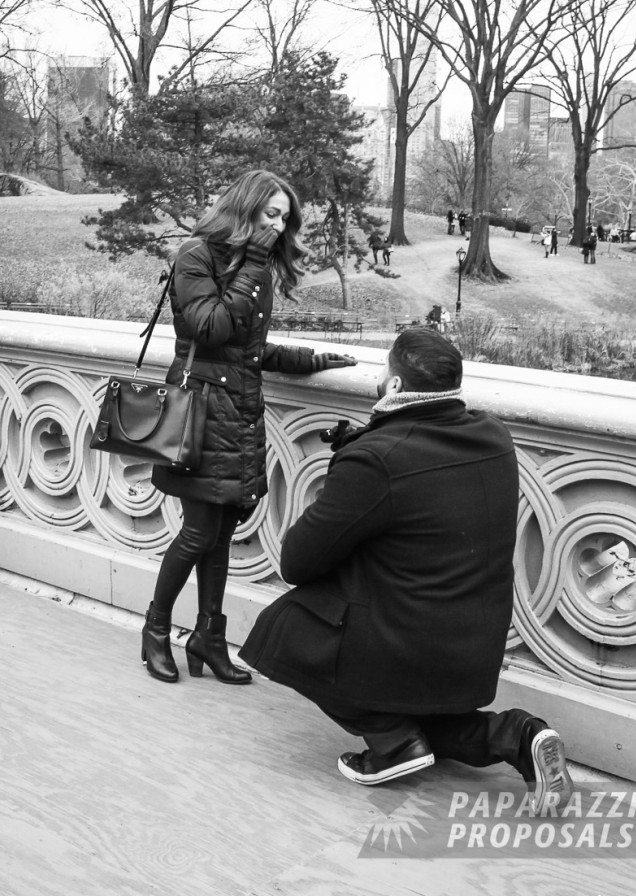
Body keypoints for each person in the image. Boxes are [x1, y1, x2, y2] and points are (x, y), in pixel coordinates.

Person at [240, 328, 573, 812]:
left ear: (394, 387)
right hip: (475, 647)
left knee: (283, 626)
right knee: (430, 722)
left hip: (406, 642)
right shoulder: (493, 434)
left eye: (382, 371)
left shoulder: (376, 458)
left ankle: (392, 741)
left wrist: (344, 473)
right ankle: (521, 737)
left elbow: (298, 561)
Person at [141, 169, 357, 686]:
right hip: (199, 411)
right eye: (272, 215)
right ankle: (155, 629)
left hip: (238, 411)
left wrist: (315, 358)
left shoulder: (250, 267)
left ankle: (208, 639)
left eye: (285, 219)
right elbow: (211, 328)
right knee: (197, 533)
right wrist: (256, 262)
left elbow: (249, 349)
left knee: (221, 535)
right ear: (247, 209)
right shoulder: (198, 255)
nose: (280, 227)